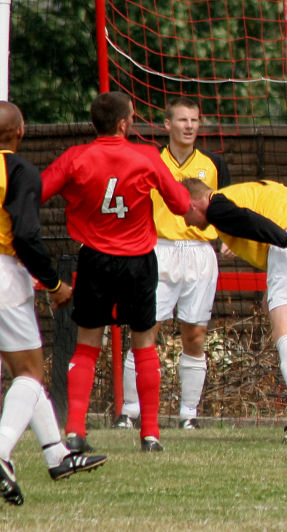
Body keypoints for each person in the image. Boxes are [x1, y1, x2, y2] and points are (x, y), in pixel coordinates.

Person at [41, 91, 192, 453]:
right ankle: (151, 434)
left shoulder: (76, 157)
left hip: (94, 259)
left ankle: (75, 430)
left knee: (87, 344)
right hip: (138, 261)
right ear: (124, 123)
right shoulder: (146, 156)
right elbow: (182, 203)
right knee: (144, 342)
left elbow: (38, 192)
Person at [0, 101, 107, 505]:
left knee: (23, 371)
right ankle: (2, 451)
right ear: (21, 131)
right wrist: (55, 283)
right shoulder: (20, 170)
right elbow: (26, 235)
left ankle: (57, 454)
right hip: (5, 275)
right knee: (28, 373)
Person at [181, 177, 287, 443]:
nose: (186, 222)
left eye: (183, 213)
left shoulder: (216, 206)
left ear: (195, 203)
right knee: (271, 304)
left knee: (283, 329)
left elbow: (253, 222)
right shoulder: (241, 192)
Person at [115, 97, 231, 431]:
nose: (190, 126)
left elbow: (228, 206)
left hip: (199, 252)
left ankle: (188, 414)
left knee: (194, 334)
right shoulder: (149, 160)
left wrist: (230, 239)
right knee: (145, 328)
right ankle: (130, 410)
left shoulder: (213, 164)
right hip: (158, 250)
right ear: (167, 125)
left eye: (194, 120)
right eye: (182, 120)